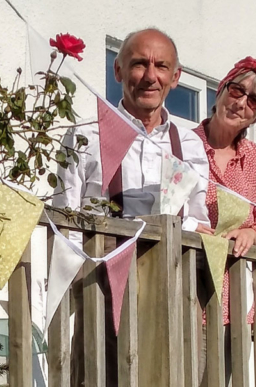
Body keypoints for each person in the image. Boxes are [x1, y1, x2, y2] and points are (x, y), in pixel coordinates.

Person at [53, 28, 211, 386]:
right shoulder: (84, 134)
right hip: (101, 286)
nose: (150, 75)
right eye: (139, 63)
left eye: (161, 65)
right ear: (118, 71)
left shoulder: (190, 145)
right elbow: (64, 221)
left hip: (172, 286)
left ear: (176, 76)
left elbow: (198, 224)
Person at [193, 56, 256, 386]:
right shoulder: (183, 143)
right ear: (222, 90)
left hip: (234, 299)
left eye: (253, 100)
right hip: (185, 289)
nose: (240, 102)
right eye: (237, 89)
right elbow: (164, 205)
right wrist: (189, 225)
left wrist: (250, 231)